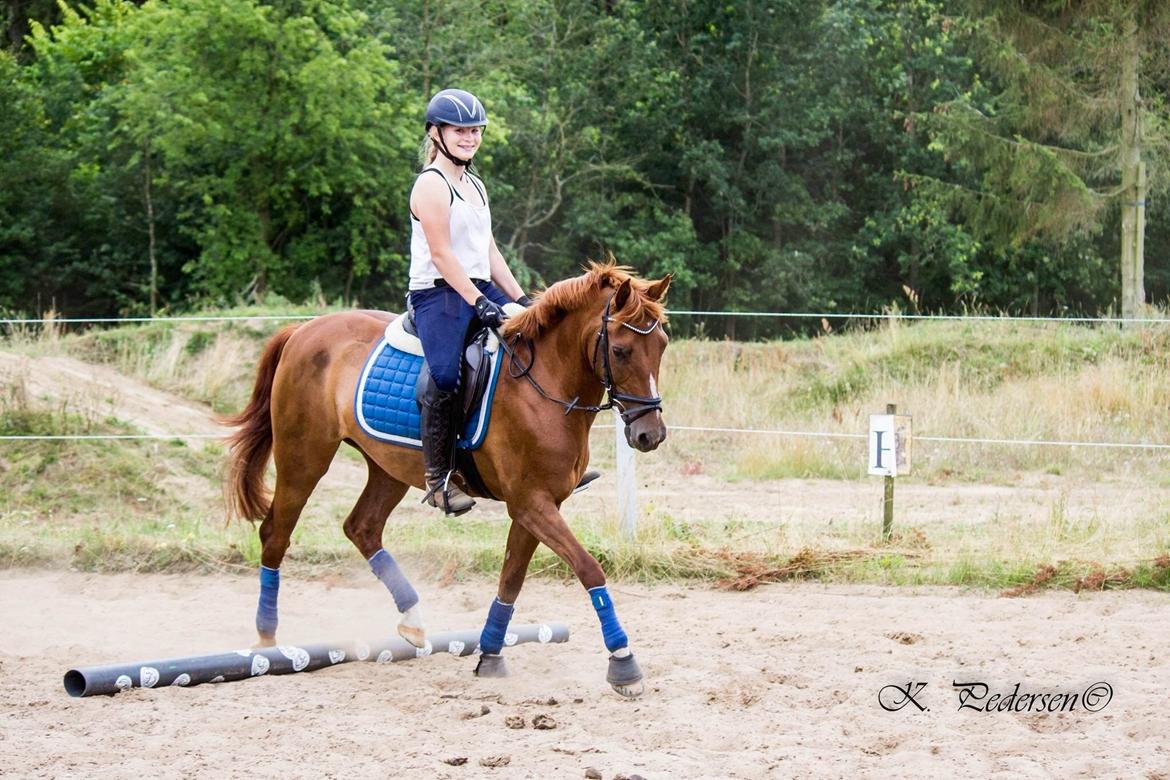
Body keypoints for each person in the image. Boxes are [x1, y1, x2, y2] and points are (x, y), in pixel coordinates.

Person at [408, 88, 531, 516]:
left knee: (537, 338)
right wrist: (481, 303)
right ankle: (438, 480)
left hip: (478, 285)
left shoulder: (475, 185)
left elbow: (490, 251)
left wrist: (521, 299)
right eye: (460, 130)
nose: (470, 137)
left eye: (475, 130)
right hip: (438, 293)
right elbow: (442, 254)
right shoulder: (431, 185)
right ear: (437, 132)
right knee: (444, 375)